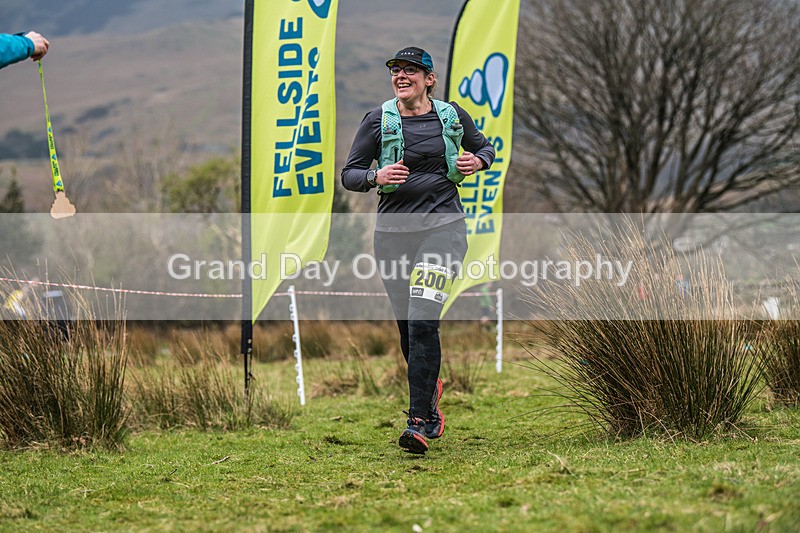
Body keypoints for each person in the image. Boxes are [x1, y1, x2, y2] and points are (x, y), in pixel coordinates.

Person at [342, 46, 495, 454]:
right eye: (396, 70)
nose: (401, 76)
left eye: (411, 70)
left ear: (429, 79)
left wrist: (476, 163)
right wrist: (376, 174)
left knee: (424, 320)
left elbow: (487, 149)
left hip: (443, 229)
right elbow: (350, 174)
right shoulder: (377, 120)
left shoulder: (451, 116)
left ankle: (420, 422)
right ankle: (430, 390)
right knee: (409, 326)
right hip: (392, 235)